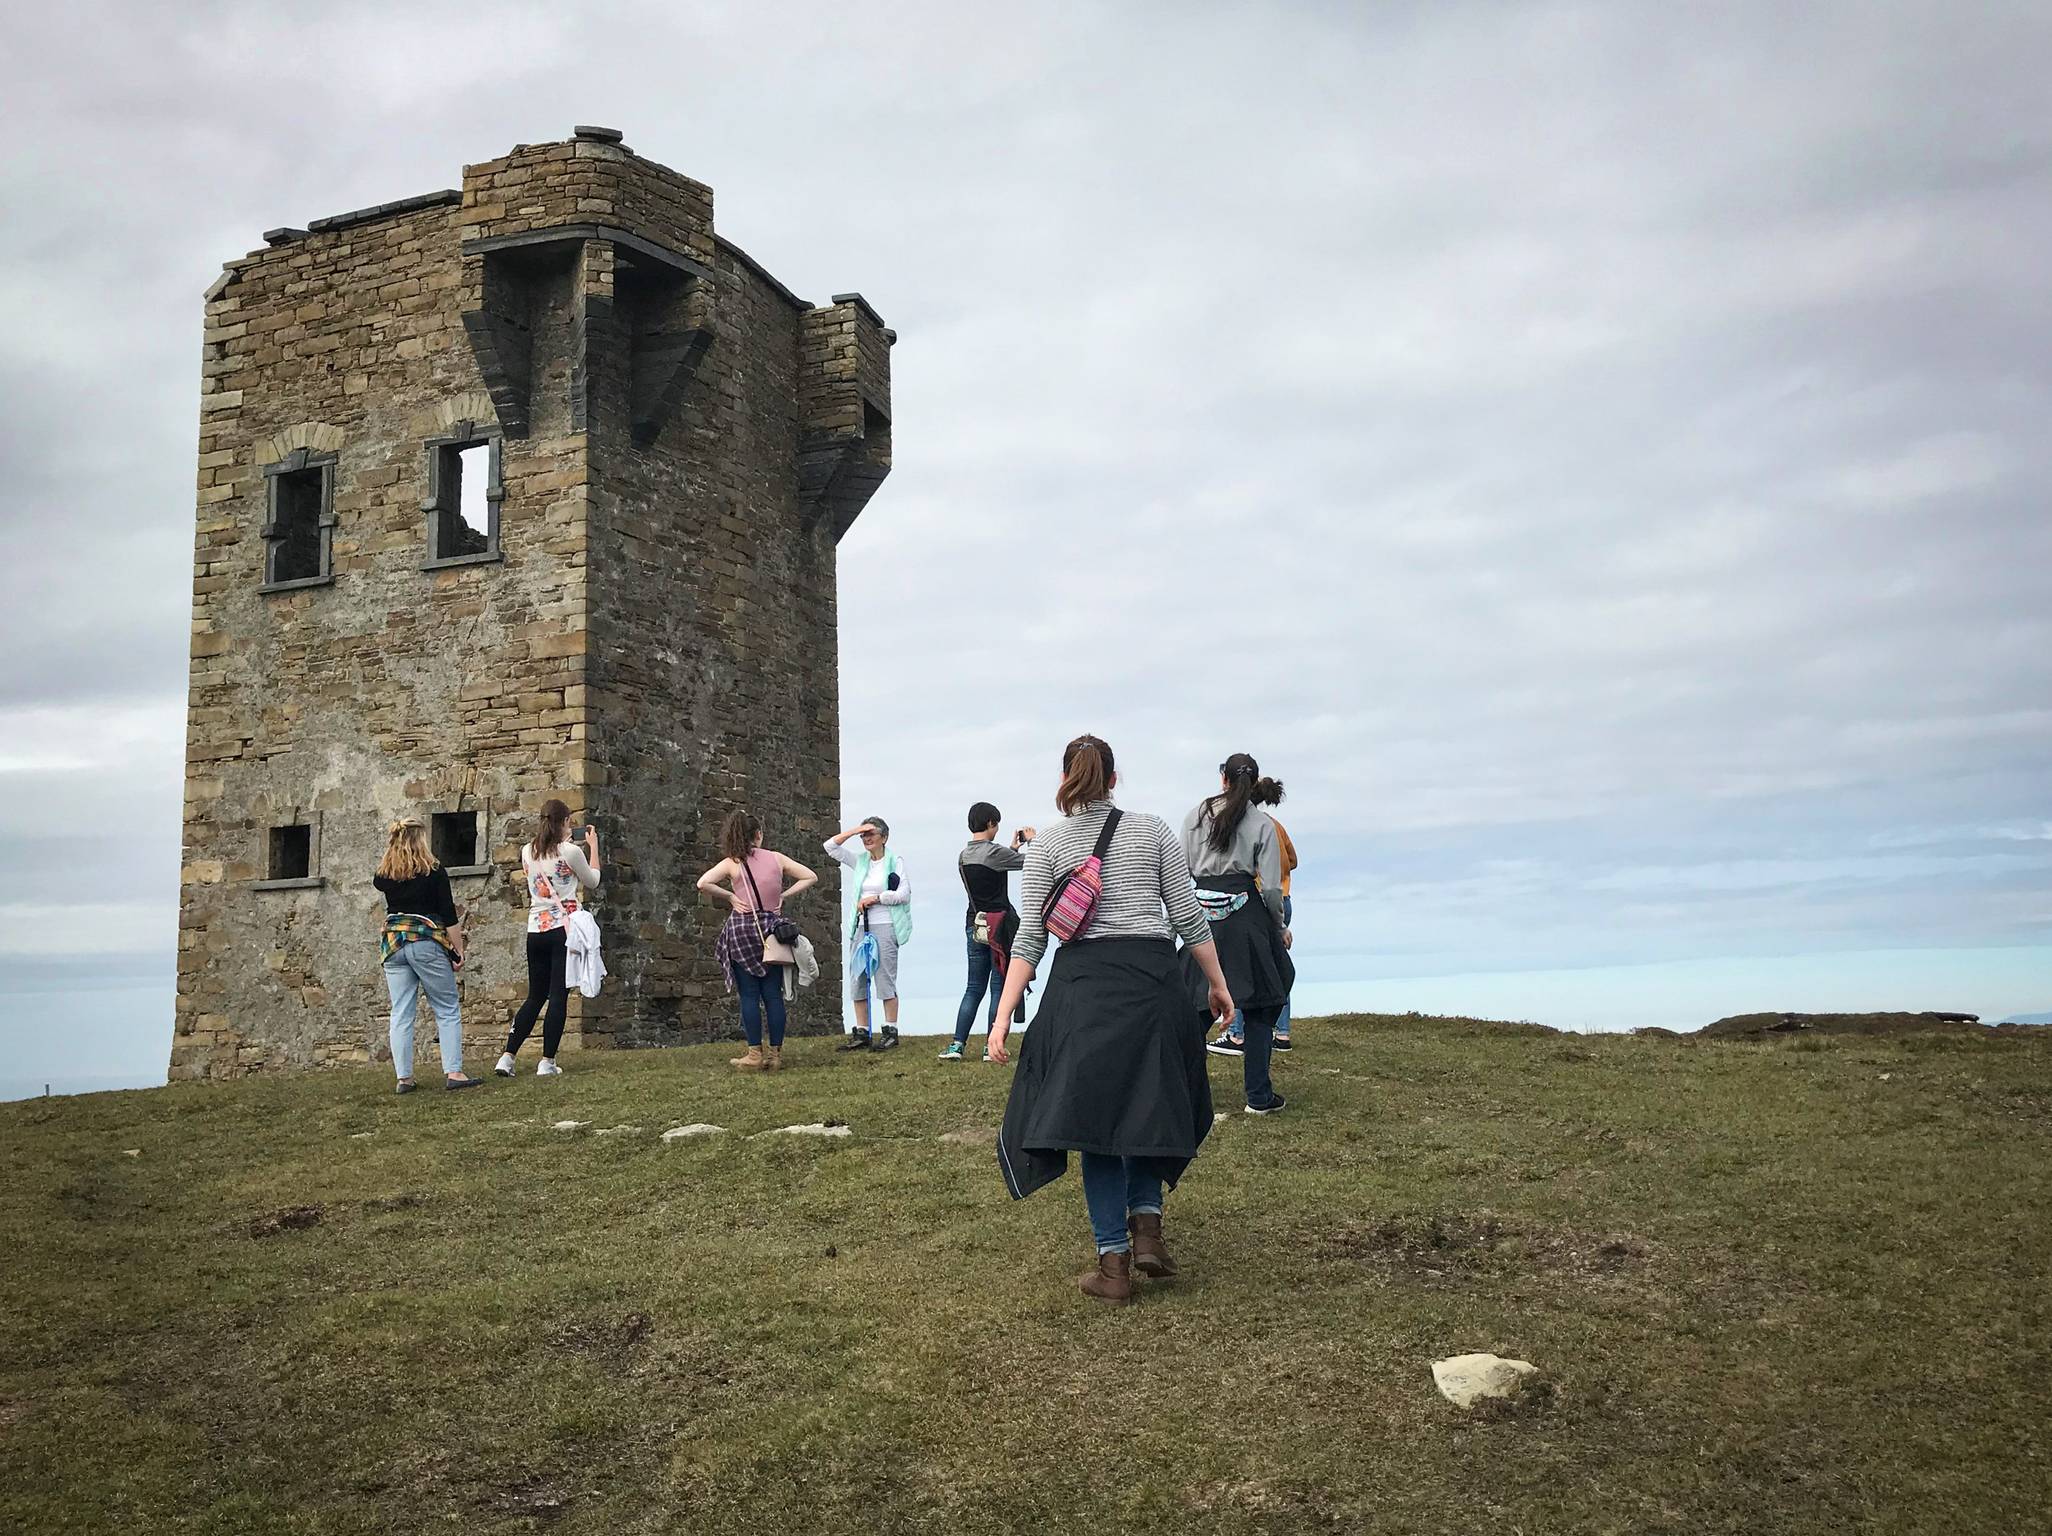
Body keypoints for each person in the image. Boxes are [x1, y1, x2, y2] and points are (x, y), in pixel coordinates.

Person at [990, 735, 1233, 1305]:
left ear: (1066, 778)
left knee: (1093, 1124)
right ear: (1115, 779)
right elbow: (1189, 914)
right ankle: (1147, 1229)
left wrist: (1002, 1018)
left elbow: (1030, 937)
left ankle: (1113, 1264)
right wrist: (1218, 982)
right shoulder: (1151, 830)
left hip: (1086, 990)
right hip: (1153, 982)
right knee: (1149, 1102)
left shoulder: (1047, 844)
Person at [1183, 753, 1294, 1115]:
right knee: (1264, 999)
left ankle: (1185, 1093)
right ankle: (1258, 1095)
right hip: (1245, 915)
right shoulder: (1261, 822)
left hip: (1199, 915)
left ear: (1223, 779)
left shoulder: (1196, 815)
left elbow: (1180, 871)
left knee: (1194, 1007)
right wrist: (1278, 928)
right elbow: (1274, 889)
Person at [697, 810, 819, 1072]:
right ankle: (775, 1055)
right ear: (759, 835)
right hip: (771, 929)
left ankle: (754, 1054)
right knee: (772, 995)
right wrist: (783, 895)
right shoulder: (777, 859)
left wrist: (730, 897)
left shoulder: (733, 863)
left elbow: (703, 882)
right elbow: (810, 876)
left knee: (749, 995)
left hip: (742, 929)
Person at [374, 818, 482, 1094]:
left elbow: (382, 881)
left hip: (394, 942)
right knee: (446, 1007)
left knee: (401, 1011)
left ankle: (404, 1078)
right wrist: (458, 950)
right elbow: (448, 915)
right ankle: (454, 1071)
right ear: (421, 839)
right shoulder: (433, 871)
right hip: (425, 940)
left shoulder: (386, 875)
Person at [495, 799, 599, 1078]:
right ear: (564, 822)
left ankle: (507, 1057)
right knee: (558, 996)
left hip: (535, 929)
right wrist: (594, 848)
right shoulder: (571, 851)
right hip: (563, 932)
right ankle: (547, 1060)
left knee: (535, 996)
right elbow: (593, 880)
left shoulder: (527, 851)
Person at [1208, 786, 1299, 1053]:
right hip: (1285, 898)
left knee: (1240, 969)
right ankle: (1282, 1033)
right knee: (1276, 969)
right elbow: (1293, 860)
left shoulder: (1248, 826)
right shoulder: (1276, 826)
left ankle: (1236, 1034)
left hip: (1258, 900)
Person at [943, 801, 1034, 1061]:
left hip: (975, 924)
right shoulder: (995, 854)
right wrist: (1030, 841)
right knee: (998, 987)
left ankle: (957, 1045)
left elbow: (993, 865)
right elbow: (1032, 863)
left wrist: (1011, 848)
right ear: (991, 823)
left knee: (973, 987)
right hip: (999, 926)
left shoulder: (963, 855)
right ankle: (989, 1047)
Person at [825, 817, 911, 1051]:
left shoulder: (894, 862)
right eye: (864, 835)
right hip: (861, 925)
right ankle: (862, 1032)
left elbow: (903, 893)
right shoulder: (860, 861)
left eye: (871, 834)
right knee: (858, 976)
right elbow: (830, 847)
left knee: (884, 977)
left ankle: (890, 1030)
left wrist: (876, 898)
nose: (867, 838)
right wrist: (854, 831)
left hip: (886, 923)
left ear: (884, 837)